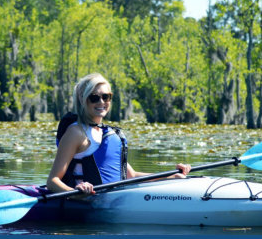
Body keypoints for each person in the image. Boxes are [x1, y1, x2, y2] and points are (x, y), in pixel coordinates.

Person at [47, 73, 191, 195]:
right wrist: (76, 192)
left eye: (106, 97)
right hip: (84, 201)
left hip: (113, 197)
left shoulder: (108, 133)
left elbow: (131, 175)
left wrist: (171, 176)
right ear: (82, 99)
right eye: (94, 98)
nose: (101, 102)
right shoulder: (75, 132)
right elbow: (52, 181)